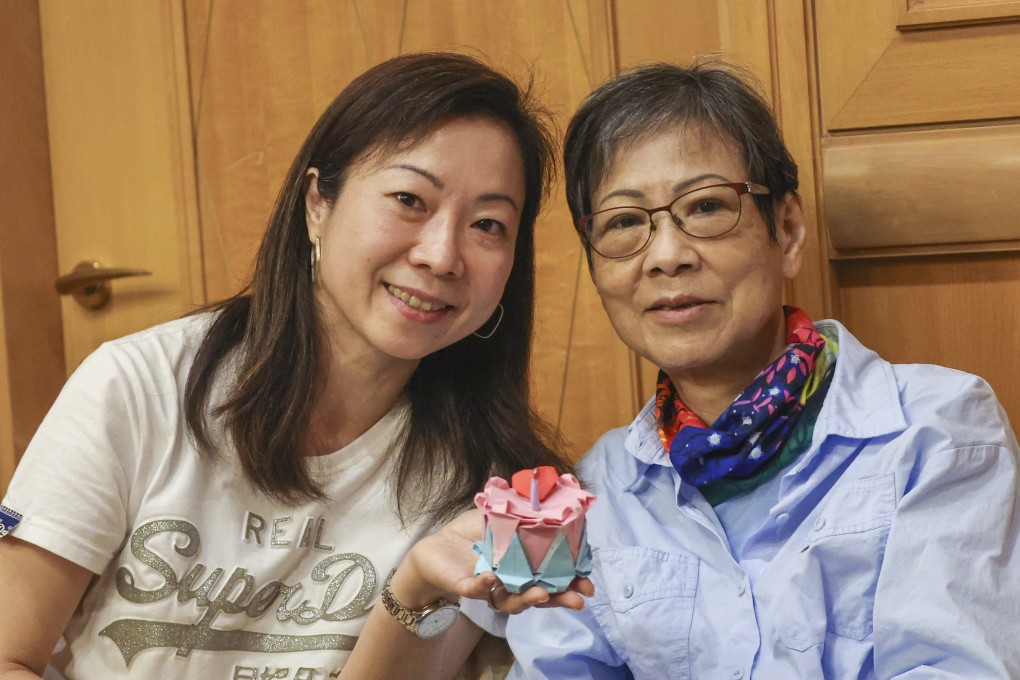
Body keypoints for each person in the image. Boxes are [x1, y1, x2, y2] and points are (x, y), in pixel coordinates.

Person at [0, 52, 589, 680]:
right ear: (317, 205)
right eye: (408, 199)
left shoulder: (489, 482)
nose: (442, 255)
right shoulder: (140, 387)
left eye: (488, 225)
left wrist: (416, 590)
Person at [506, 61, 1020, 678]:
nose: (666, 256)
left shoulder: (936, 429)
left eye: (705, 207)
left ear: (788, 230)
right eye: (623, 222)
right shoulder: (594, 491)